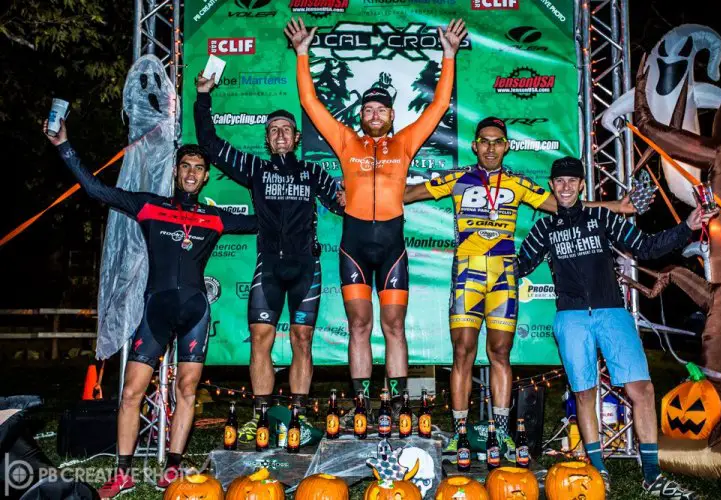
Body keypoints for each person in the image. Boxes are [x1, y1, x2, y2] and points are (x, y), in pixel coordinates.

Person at [43, 120, 259, 498]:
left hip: (194, 312)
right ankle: (123, 473)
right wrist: (64, 145)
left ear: (206, 177)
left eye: (198, 169)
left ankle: (172, 469)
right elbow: (95, 189)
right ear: (176, 172)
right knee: (131, 392)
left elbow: (267, 221)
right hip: (155, 310)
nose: (191, 173)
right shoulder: (149, 206)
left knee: (187, 390)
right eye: (185, 167)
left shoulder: (217, 218)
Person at [403, 118, 639, 458]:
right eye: (484, 141)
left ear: (506, 146)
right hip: (466, 276)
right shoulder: (457, 178)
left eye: (497, 141)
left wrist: (616, 207)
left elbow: (566, 207)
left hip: (504, 277)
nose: (490, 147)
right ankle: (459, 434)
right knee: (463, 353)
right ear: (474, 145)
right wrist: (364, 190)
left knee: (500, 353)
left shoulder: (518, 183)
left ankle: (500, 433)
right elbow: (408, 194)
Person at [285, 17, 467, 419]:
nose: (372, 113)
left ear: (390, 114)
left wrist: (448, 55)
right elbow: (312, 104)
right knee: (359, 326)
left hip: (391, 247)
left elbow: (438, 106)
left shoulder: (404, 142)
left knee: (395, 327)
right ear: (361, 114)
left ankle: (397, 406)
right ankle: (365, 405)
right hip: (352, 246)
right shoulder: (346, 140)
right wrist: (302, 53)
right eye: (367, 108)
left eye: (379, 108)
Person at [515, 156, 714, 498]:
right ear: (551, 186)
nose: (564, 187)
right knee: (584, 393)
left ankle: (651, 475)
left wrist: (688, 226)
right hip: (571, 318)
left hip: (612, 313)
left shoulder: (602, 217)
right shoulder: (543, 228)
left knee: (643, 390)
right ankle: (598, 472)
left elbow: (647, 247)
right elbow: (517, 266)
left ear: (581, 185)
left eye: (571, 181)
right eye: (558, 181)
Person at [193, 73, 344, 427]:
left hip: (307, 267)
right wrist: (203, 96)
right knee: (260, 339)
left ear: (295, 138)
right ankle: (261, 418)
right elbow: (211, 144)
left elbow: (341, 204)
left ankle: (300, 419)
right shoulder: (256, 169)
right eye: (273, 129)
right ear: (267, 138)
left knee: (301, 339)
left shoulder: (313, 172)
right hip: (269, 269)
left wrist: (347, 197)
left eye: (285, 129)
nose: (279, 134)